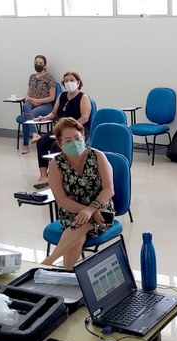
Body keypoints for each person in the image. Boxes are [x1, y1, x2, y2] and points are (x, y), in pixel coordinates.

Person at [41, 117, 114, 269]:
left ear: (84, 137)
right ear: (60, 144)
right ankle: (67, 273)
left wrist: (91, 210)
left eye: (77, 138)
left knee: (80, 226)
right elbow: (61, 200)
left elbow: (109, 189)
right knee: (79, 233)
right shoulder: (56, 164)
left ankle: (48, 263)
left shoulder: (98, 156)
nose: (74, 143)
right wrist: (86, 211)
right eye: (67, 141)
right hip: (72, 212)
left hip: (101, 209)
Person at [33, 71, 92, 189]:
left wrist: (69, 128)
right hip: (60, 129)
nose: (69, 83)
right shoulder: (62, 96)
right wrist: (44, 117)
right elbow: (54, 113)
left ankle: (56, 174)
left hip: (77, 130)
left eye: (71, 80)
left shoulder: (83, 97)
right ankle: (43, 176)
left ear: (78, 82)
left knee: (57, 145)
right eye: (66, 81)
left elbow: (84, 117)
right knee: (42, 142)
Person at [20, 55, 57, 154]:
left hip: (46, 105)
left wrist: (38, 101)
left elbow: (52, 97)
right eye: (36, 62)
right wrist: (28, 98)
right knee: (25, 106)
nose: (38, 64)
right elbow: (28, 93)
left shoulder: (49, 78)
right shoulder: (32, 77)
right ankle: (35, 133)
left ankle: (25, 144)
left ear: (44, 65)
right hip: (32, 104)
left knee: (26, 117)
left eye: (41, 63)